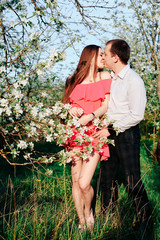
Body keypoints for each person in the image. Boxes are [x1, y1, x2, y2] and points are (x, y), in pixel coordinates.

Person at [93, 39, 151, 228]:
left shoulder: (134, 80)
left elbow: (137, 114)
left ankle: (145, 221)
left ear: (115, 58)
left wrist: (110, 129)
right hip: (107, 132)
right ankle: (109, 219)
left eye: (106, 54)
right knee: (106, 179)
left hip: (126, 133)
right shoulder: (109, 78)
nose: (104, 57)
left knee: (131, 179)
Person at [62, 45, 112, 230]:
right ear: (90, 56)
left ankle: (89, 212)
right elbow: (65, 108)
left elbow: (106, 105)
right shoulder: (72, 80)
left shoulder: (104, 76)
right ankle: (82, 222)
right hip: (75, 133)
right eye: (100, 54)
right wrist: (71, 110)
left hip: (95, 133)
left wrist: (90, 116)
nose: (104, 58)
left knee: (84, 183)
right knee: (75, 181)